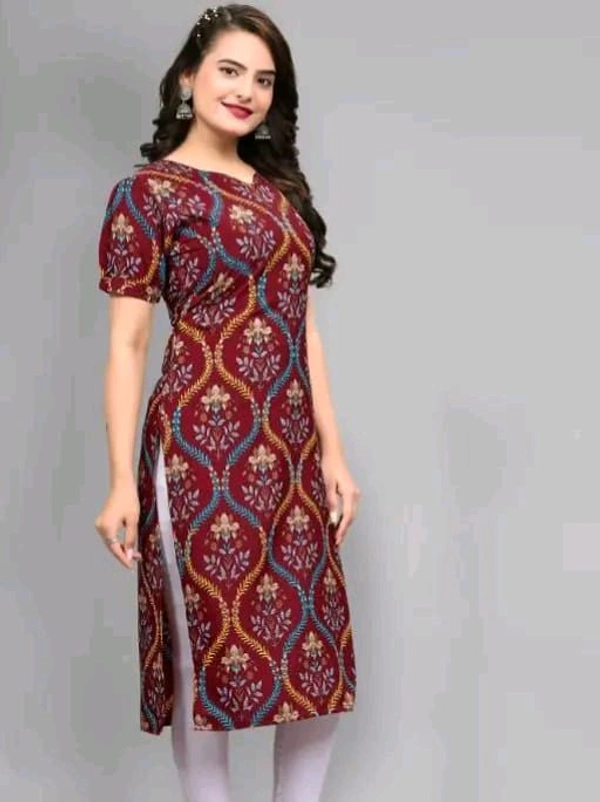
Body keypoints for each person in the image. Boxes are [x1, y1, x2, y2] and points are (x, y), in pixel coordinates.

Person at [94, 5, 360, 800]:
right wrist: (120, 482)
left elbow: (302, 328)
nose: (247, 92)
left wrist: (334, 452)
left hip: (290, 456)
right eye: (231, 71)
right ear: (189, 78)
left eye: (264, 81)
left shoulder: (279, 195)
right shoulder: (147, 194)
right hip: (200, 456)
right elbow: (128, 346)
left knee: (315, 666)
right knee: (204, 660)